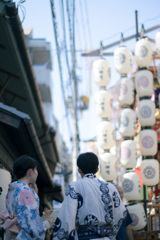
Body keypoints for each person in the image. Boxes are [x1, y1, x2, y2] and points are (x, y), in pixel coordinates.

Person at [53, 152, 127, 240]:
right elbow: (121, 213)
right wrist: (111, 233)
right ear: (97, 169)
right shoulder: (110, 187)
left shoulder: (74, 187)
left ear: (79, 170)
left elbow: (67, 217)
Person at [5, 155, 54, 239]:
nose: (37, 173)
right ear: (30, 171)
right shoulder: (26, 192)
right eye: (36, 170)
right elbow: (32, 225)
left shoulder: (11, 191)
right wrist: (47, 223)